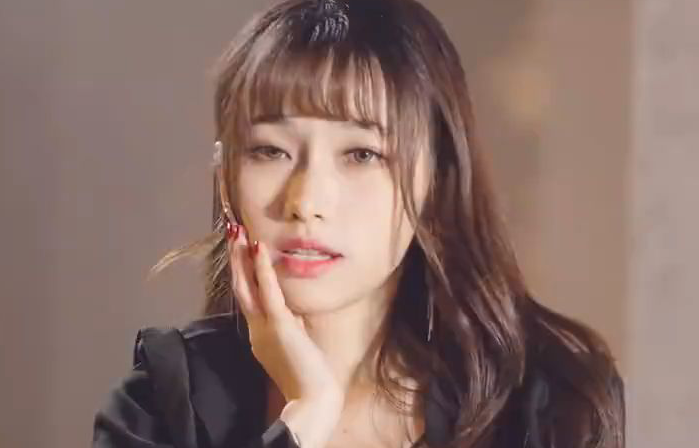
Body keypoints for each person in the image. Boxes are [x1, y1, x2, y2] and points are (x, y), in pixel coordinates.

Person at [92, 1, 625, 447]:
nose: (306, 201)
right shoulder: (159, 408)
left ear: (436, 179)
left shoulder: (552, 405)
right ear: (226, 177)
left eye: (362, 155)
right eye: (270, 151)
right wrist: (306, 417)